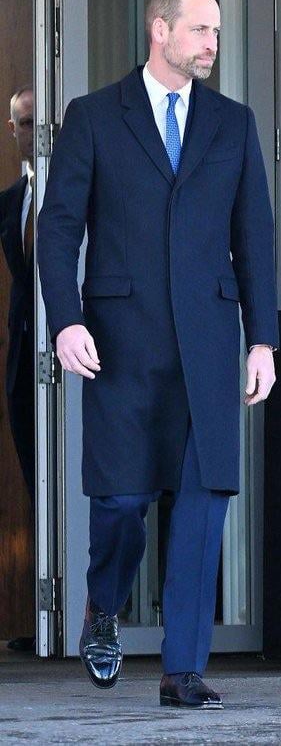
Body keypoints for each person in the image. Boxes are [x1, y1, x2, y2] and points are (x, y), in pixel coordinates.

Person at [38, 0, 278, 708]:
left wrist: (262, 340)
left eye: (216, 31)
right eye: (200, 30)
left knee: (204, 501)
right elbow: (58, 228)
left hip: (208, 343)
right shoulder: (93, 117)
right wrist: (65, 319)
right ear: (159, 30)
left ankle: (183, 670)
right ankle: (102, 603)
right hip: (119, 341)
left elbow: (255, 239)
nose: (212, 43)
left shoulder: (233, 124)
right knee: (121, 500)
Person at [0, 85, 36, 652]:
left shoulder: (75, 192)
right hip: (23, 358)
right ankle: (44, 622)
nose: (31, 132)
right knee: (36, 477)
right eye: (22, 123)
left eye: (37, 121)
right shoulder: (10, 200)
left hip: (77, 354)